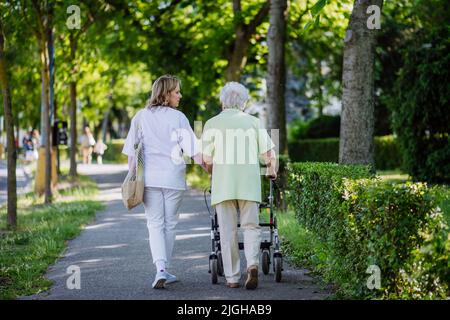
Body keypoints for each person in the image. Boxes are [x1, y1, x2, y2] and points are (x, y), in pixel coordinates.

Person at [122, 75, 205, 289]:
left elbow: (132, 155)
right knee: (170, 225)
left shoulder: (140, 117)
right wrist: (211, 168)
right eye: (176, 91)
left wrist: (131, 178)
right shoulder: (178, 118)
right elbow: (194, 152)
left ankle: (160, 269)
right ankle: (164, 270)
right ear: (166, 94)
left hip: (148, 180)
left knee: (155, 224)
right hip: (173, 179)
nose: (180, 95)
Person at [201, 82, 277, 290]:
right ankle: (252, 265)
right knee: (251, 226)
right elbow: (269, 155)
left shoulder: (211, 123)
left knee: (226, 231)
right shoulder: (253, 122)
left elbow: (206, 160)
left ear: (222, 101)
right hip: (248, 183)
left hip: (223, 185)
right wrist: (273, 170)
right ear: (244, 102)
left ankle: (233, 277)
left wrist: (213, 172)